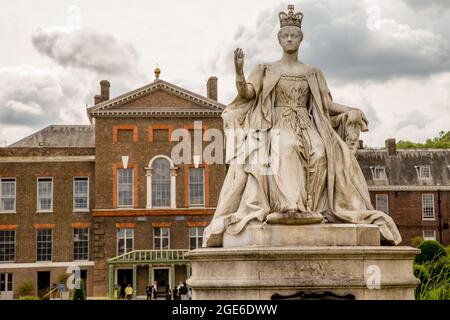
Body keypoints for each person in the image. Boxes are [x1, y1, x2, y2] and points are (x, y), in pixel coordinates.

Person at [203, 4, 402, 247]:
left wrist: (351, 110)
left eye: (294, 35)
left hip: (307, 125)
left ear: (300, 39)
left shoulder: (312, 72)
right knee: (286, 148)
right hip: (276, 125)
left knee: (320, 153)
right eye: (285, 35)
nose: (289, 39)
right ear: (279, 39)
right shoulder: (266, 69)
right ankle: (289, 208)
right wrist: (239, 71)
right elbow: (247, 94)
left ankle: (313, 209)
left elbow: (327, 104)